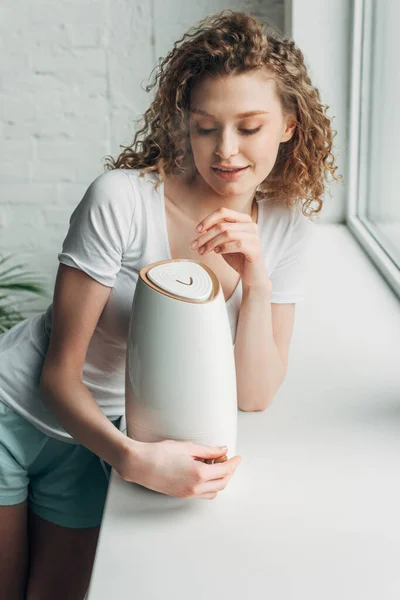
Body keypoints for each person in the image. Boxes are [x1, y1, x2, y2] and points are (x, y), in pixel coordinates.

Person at [0, 9, 341, 600]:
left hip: (96, 441)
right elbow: (59, 375)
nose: (226, 150)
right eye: (207, 127)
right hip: (16, 413)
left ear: (289, 124)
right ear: (185, 123)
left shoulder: (285, 232)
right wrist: (134, 461)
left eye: (249, 126)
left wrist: (256, 282)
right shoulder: (121, 201)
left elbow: (253, 396)